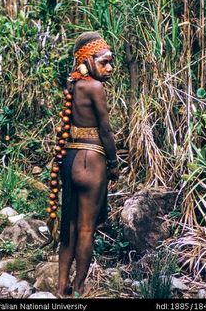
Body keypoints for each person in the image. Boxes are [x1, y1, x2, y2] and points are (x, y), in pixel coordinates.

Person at [57, 31, 119, 297]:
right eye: (104, 61)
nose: (110, 68)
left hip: (70, 160)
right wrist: (114, 162)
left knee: (68, 225)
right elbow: (105, 131)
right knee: (85, 228)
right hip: (92, 162)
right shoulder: (95, 88)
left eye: (110, 62)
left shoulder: (73, 85)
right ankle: (79, 288)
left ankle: (61, 287)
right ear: (87, 60)